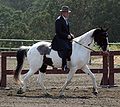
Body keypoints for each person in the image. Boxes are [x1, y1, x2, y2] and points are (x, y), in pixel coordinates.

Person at [51, 6, 74, 72]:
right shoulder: (58, 20)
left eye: (68, 12)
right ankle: (64, 65)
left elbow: (67, 31)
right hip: (59, 38)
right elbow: (58, 32)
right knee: (66, 48)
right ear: (63, 13)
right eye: (67, 13)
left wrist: (70, 34)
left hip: (65, 38)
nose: (68, 14)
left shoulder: (66, 20)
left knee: (73, 46)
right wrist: (67, 36)